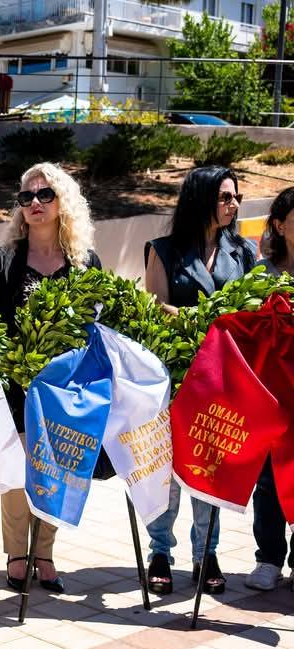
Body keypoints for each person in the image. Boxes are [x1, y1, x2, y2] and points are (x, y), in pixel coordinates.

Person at [0, 162, 100, 595]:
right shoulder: (4, 261)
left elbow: (94, 325)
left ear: (62, 202)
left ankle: (44, 553)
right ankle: (17, 554)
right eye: (27, 196)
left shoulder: (85, 263)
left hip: (66, 389)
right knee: (18, 471)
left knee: (56, 466)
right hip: (16, 385)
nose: (35, 202)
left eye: (45, 194)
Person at [142, 166, 256, 596]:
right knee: (170, 470)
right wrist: (207, 319)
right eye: (225, 197)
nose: (233, 204)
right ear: (201, 198)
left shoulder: (242, 252)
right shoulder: (164, 250)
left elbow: (252, 310)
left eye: (236, 197)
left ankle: (206, 552)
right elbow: (154, 307)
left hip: (223, 376)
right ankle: (160, 551)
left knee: (210, 467)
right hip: (175, 375)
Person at [243, 188, 294, 592]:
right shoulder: (262, 275)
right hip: (272, 394)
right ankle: (269, 558)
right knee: (268, 480)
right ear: (279, 225)